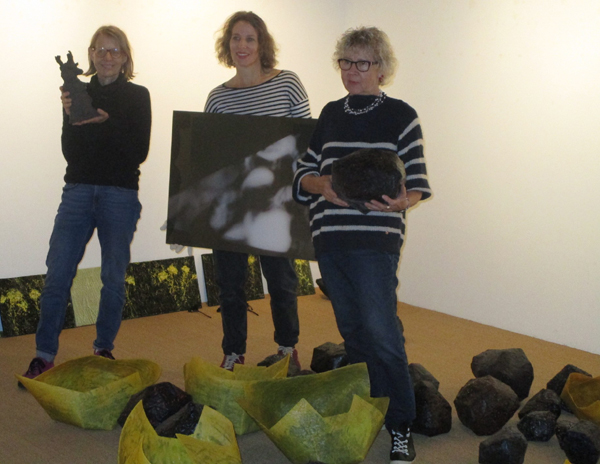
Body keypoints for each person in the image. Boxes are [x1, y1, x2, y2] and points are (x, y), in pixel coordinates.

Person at [293, 26, 431, 463]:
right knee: (353, 330)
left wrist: (399, 204)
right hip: (331, 236)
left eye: (362, 63)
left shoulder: (400, 115)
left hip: (376, 238)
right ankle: (372, 407)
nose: (352, 71)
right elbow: (301, 175)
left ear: (382, 69)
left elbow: (419, 183)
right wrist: (322, 185)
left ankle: (401, 424)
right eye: (345, 62)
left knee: (380, 329)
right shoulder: (330, 114)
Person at [19, 25, 152, 386]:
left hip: (119, 194)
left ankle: (103, 349)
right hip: (77, 191)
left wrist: (105, 122)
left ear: (125, 57)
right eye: (100, 50)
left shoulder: (138, 96)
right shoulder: (74, 92)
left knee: (113, 277)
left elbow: (138, 152)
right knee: (57, 274)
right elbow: (70, 151)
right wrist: (71, 116)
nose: (107, 57)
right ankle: (43, 355)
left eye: (115, 50)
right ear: (91, 54)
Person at [205, 11, 311, 371]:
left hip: (276, 204)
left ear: (262, 44)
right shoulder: (218, 98)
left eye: (250, 38)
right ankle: (233, 351)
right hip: (233, 205)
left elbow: (305, 144)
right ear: (227, 44)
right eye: (236, 38)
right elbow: (211, 159)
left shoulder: (287, 84)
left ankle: (287, 348)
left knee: (281, 281)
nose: (242, 45)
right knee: (230, 285)